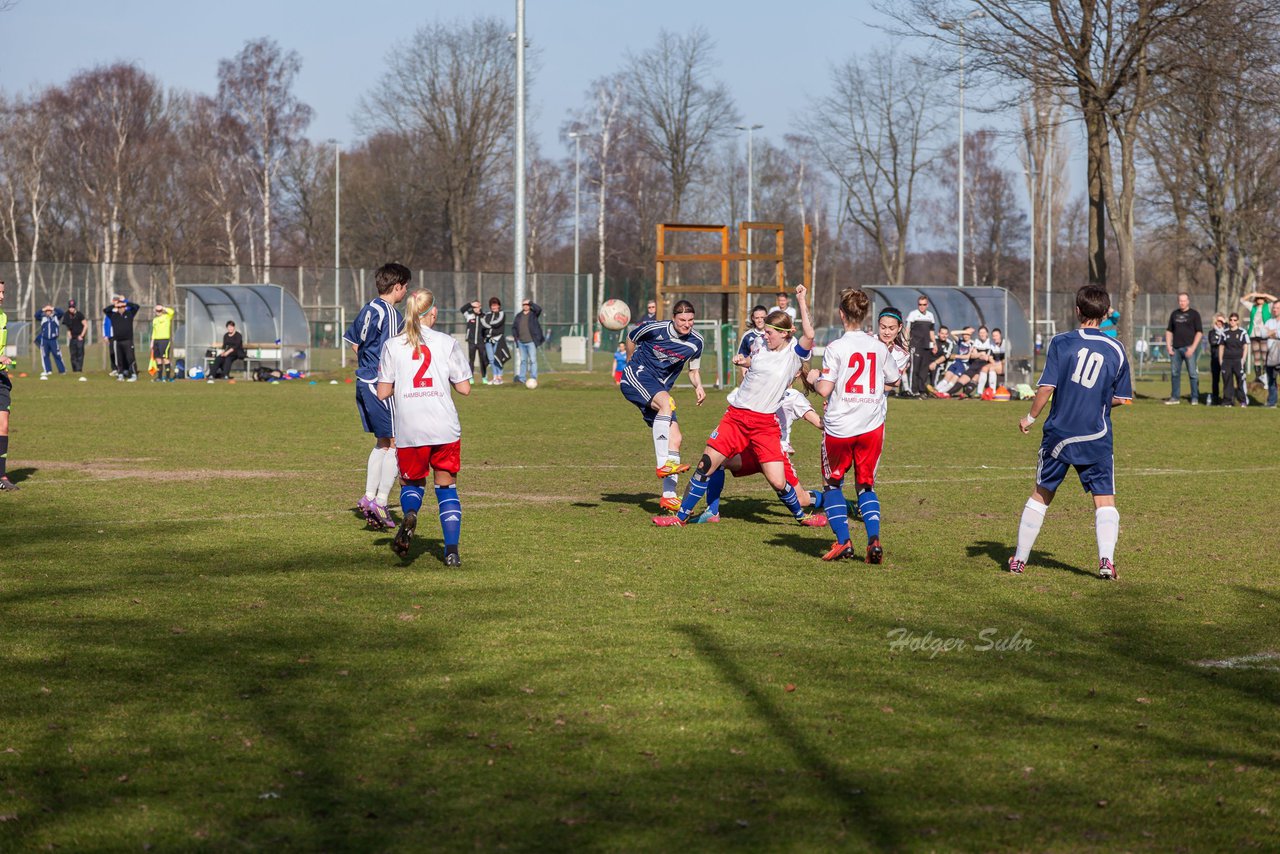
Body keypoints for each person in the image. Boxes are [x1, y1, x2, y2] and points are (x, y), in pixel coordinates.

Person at [654, 286, 816, 528]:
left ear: (784, 333)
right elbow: (757, 361)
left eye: (770, 332)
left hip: (764, 425)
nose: (766, 335)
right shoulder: (763, 347)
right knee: (705, 465)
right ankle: (680, 517)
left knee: (778, 481)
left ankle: (802, 517)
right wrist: (744, 360)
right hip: (736, 419)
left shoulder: (793, 355)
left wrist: (801, 300)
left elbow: (809, 335)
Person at [1009, 285, 1132, 580]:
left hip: (1059, 434)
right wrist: (1099, 400)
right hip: (1096, 434)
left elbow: (1046, 388)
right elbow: (1123, 398)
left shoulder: (1061, 342)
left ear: (1077, 310)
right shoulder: (1116, 349)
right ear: (1105, 314)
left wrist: (1030, 417)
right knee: (1104, 499)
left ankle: (1019, 560)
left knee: (1041, 494)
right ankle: (1106, 562)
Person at [375, 289, 472, 565]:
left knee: (412, 482)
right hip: (444, 426)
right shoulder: (446, 342)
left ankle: (411, 514)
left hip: (411, 427)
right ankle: (451, 551)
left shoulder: (393, 345)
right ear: (433, 312)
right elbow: (464, 389)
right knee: (447, 488)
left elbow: (383, 392)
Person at [806, 287, 900, 563]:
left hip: (840, 427)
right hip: (871, 426)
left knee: (832, 484)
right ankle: (873, 539)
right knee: (865, 485)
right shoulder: (878, 346)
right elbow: (893, 378)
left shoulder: (836, 348)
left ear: (841, 314)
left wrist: (812, 377)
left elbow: (824, 389)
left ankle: (843, 542)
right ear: (865, 315)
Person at [688, 377, 828, 526]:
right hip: (751, 451)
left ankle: (834, 502)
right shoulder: (760, 390)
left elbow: (818, 422)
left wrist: (832, 418)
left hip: (775, 454)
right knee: (719, 462)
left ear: (794, 372)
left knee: (801, 499)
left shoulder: (793, 396)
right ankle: (712, 512)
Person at [620, 298, 706, 511]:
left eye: (691, 320)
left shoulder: (696, 342)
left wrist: (698, 386)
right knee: (667, 403)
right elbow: (631, 337)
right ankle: (663, 464)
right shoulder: (654, 328)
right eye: (682, 320)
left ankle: (669, 496)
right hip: (637, 376)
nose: (687, 324)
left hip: (658, 388)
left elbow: (693, 370)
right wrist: (630, 360)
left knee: (675, 439)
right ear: (673, 318)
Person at [344, 262, 410, 530]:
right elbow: (394, 351)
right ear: (397, 287)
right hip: (380, 383)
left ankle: (369, 497)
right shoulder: (391, 314)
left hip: (363, 381)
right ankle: (381, 502)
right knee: (396, 440)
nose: (406, 292)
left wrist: (367, 364)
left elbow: (354, 343)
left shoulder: (368, 308)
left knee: (383, 441)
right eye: (405, 287)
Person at [1164, 292, 1202, 404]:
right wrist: (1168, 346)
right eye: (1180, 301)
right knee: (1175, 373)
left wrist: (1193, 348)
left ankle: (1195, 397)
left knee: (1193, 374)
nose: (1182, 303)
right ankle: (1175, 397)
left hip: (1189, 348)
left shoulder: (1194, 314)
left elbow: (1199, 332)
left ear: (1188, 301)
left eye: (1184, 300)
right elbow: (1169, 331)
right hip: (1175, 349)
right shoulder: (1174, 314)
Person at [0, 280, 17, 491]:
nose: (2, 296)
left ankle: (2, 476)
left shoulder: (3, 316)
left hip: (1, 376)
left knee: (3, 424)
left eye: (3, 291)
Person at [1240, 292, 1276, 386]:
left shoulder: (1268, 306)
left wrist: (1266, 295)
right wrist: (1252, 294)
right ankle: (1258, 377)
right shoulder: (1253, 307)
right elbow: (1242, 300)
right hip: (1254, 334)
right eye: (1258, 298)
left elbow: (1276, 301)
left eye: (1261, 298)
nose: (1260, 299)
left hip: (1264, 334)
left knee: (1265, 356)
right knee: (1256, 356)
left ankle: (1265, 376)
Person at [905, 296, 937, 397]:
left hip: (927, 346)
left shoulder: (930, 316)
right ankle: (913, 391)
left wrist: (934, 343)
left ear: (927, 305)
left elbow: (931, 331)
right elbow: (907, 330)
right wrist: (906, 343)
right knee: (915, 369)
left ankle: (921, 390)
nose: (922, 306)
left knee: (924, 370)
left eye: (924, 304)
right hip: (915, 345)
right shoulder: (913, 314)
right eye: (920, 304)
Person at [877, 307, 911, 397]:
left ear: (899, 328)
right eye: (883, 327)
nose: (887, 332)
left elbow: (890, 385)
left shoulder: (902, 355)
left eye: (891, 328)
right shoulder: (865, 340)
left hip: (875, 405)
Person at [931, 327, 974, 398]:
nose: (966, 336)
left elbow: (967, 357)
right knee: (946, 377)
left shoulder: (972, 343)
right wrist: (964, 331)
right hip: (956, 363)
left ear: (970, 335)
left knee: (953, 379)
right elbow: (952, 333)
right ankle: (936, 390)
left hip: (963, 365)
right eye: (964, 334)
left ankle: (941, 393)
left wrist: (956, 356)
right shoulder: (960, 341)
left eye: (968, 334)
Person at [1219, 313, 1249, 407]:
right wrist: (1221, 360)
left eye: (1235, 320)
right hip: (1227, 360)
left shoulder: (1242, 332)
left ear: (1238, 321)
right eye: (1231, 320)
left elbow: (1245, 346)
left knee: (1240, 380)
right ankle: (1228, 401)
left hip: (1238, 360)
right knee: (1227, 381)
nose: (1232, 322)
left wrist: (1243, 359)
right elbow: (1221, 346)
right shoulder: (1225, 332)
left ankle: (1242, 401)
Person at [512, 298, 545, 385]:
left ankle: (533, 378)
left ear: (530, 306)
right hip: (521, 342)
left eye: (527, 304)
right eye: (524, 304)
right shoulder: (519, 316)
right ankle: (522, 379)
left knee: (533, 360)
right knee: (523, 361)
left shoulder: (533, 314)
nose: (525, 306)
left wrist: (531, 302)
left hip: (531, 342)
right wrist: (516, 339)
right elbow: (514, 328)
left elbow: (539, 309)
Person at [109, 295, 141, 381]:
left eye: (122, 306)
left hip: (128, 341)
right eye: (119, 307)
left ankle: (134, 374)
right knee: (119, 359)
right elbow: (106, 310)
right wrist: (115, 305)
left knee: (130, 358)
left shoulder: (129, 314)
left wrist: (125, 302)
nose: (121, 308)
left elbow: (136, 307)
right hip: (118, 341)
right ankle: (120, 374)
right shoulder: (114, 316)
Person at [460, 300, 490, 384]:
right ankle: (471, 378)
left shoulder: (484, 316)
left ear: (480, 307)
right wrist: (470, 304)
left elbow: (487, 326)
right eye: (474, 307)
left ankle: (484, 377)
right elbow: (462, 309)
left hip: (481, 341)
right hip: (472, 341)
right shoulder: (469, 315)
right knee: (471, 360)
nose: (476, 308)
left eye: (478, 306)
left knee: (483, 360)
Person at [737, 305, 768, 380]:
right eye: (757, 318)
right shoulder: (747, 336)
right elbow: (742, 356)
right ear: (753, 318)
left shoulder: (773, 333)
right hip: (754, 376)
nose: (760, 320)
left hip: (770, 374)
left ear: (767, 317)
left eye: (762, 317)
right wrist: (744, 373)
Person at [481, 297, 506, 385]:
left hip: (498, 339)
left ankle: (500, 377)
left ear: (499, 306)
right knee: (491, 359)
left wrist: (488, 325)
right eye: (492, 305)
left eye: (495, 305)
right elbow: (482, 323)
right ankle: (495, 377)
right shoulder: (487, 315)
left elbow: (498, 323)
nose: (494, 307)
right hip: (488, 339)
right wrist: (488, 325)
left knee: (497, 358)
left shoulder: (501, 314)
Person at [36, 304, 66, 376]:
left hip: (53, 340)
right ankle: (47, 370)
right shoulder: (43, 317)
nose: (48, 312)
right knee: (45, 355)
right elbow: (36, 315)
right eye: (47, 311)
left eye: (49, 311)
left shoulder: (56, 317)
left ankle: (62, 370)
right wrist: (43, 309)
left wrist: (53, 308)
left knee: (57, 354)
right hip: (44, 340)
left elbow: (62, 312)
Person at [975, 327, 1006, 397]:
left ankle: (992, 392)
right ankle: (979, 392)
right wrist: (994, 363)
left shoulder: (1005, 343)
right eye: (993, 336)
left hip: (1005, 365)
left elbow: (1006, 359)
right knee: (984, 368)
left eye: (996, 335)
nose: (994, 337)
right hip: (996, 364)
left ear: (1000, 335)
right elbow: (990, 357)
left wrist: (997, 364)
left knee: (992, 368)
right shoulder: (992, 344)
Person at [150, 304, 176, 382]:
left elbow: (172, 312)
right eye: (157, 310)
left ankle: (168, 377)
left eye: (160, 310)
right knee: (158, 359)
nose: (158, 312)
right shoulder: (155, 320)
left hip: (164, 340)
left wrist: (163, 308)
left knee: (165, 358)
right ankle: (159, 377)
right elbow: (154, 332)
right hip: (156, 341)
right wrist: (152, 341)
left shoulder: (167, 317)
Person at [1206, 313, 1227, 405]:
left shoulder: (1227, 332)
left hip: (1226, 359)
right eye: (1218, 320)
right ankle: (1215, 398)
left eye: (1222, 321)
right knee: (1215, 380)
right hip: (1215, 358)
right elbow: (1213, 342)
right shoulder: (1211, 333)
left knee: (1226, 379)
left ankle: (1227, 398)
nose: (1219, 323)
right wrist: (1222, 339)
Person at [926, 326, 954, 391]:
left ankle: (935, 389)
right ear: (938, 333)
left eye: (946, 334)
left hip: (939, 364)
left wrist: (935, 363)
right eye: (942, 333)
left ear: (948, 335)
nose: (944, 335)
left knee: (936, 368)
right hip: (928, 361)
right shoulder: (933, 339)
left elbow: (945, 356)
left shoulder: (949, 343)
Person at [62, 299, 87, 373]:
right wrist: (69, 333)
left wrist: (81, 336)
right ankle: (74, 370)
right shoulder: (67, 315)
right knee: (73, 355)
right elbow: (68, 326)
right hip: (72, 338)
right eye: (70, 307)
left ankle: (79, 370)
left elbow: (85, 325)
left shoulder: (79, 314)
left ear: (75, 307)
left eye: (72, 307)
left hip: (79, 337)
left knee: (80, 354)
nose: (71, 308)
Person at [1264, 309, 1280, 408]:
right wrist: (1276, 333)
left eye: (1278, 308)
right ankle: (1272, 402)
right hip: (1271, 354)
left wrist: (1271, 332)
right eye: (1274, 308)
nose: (1275, 310)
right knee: (1271, 379)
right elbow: (1263, 334)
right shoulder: (1269, 321)